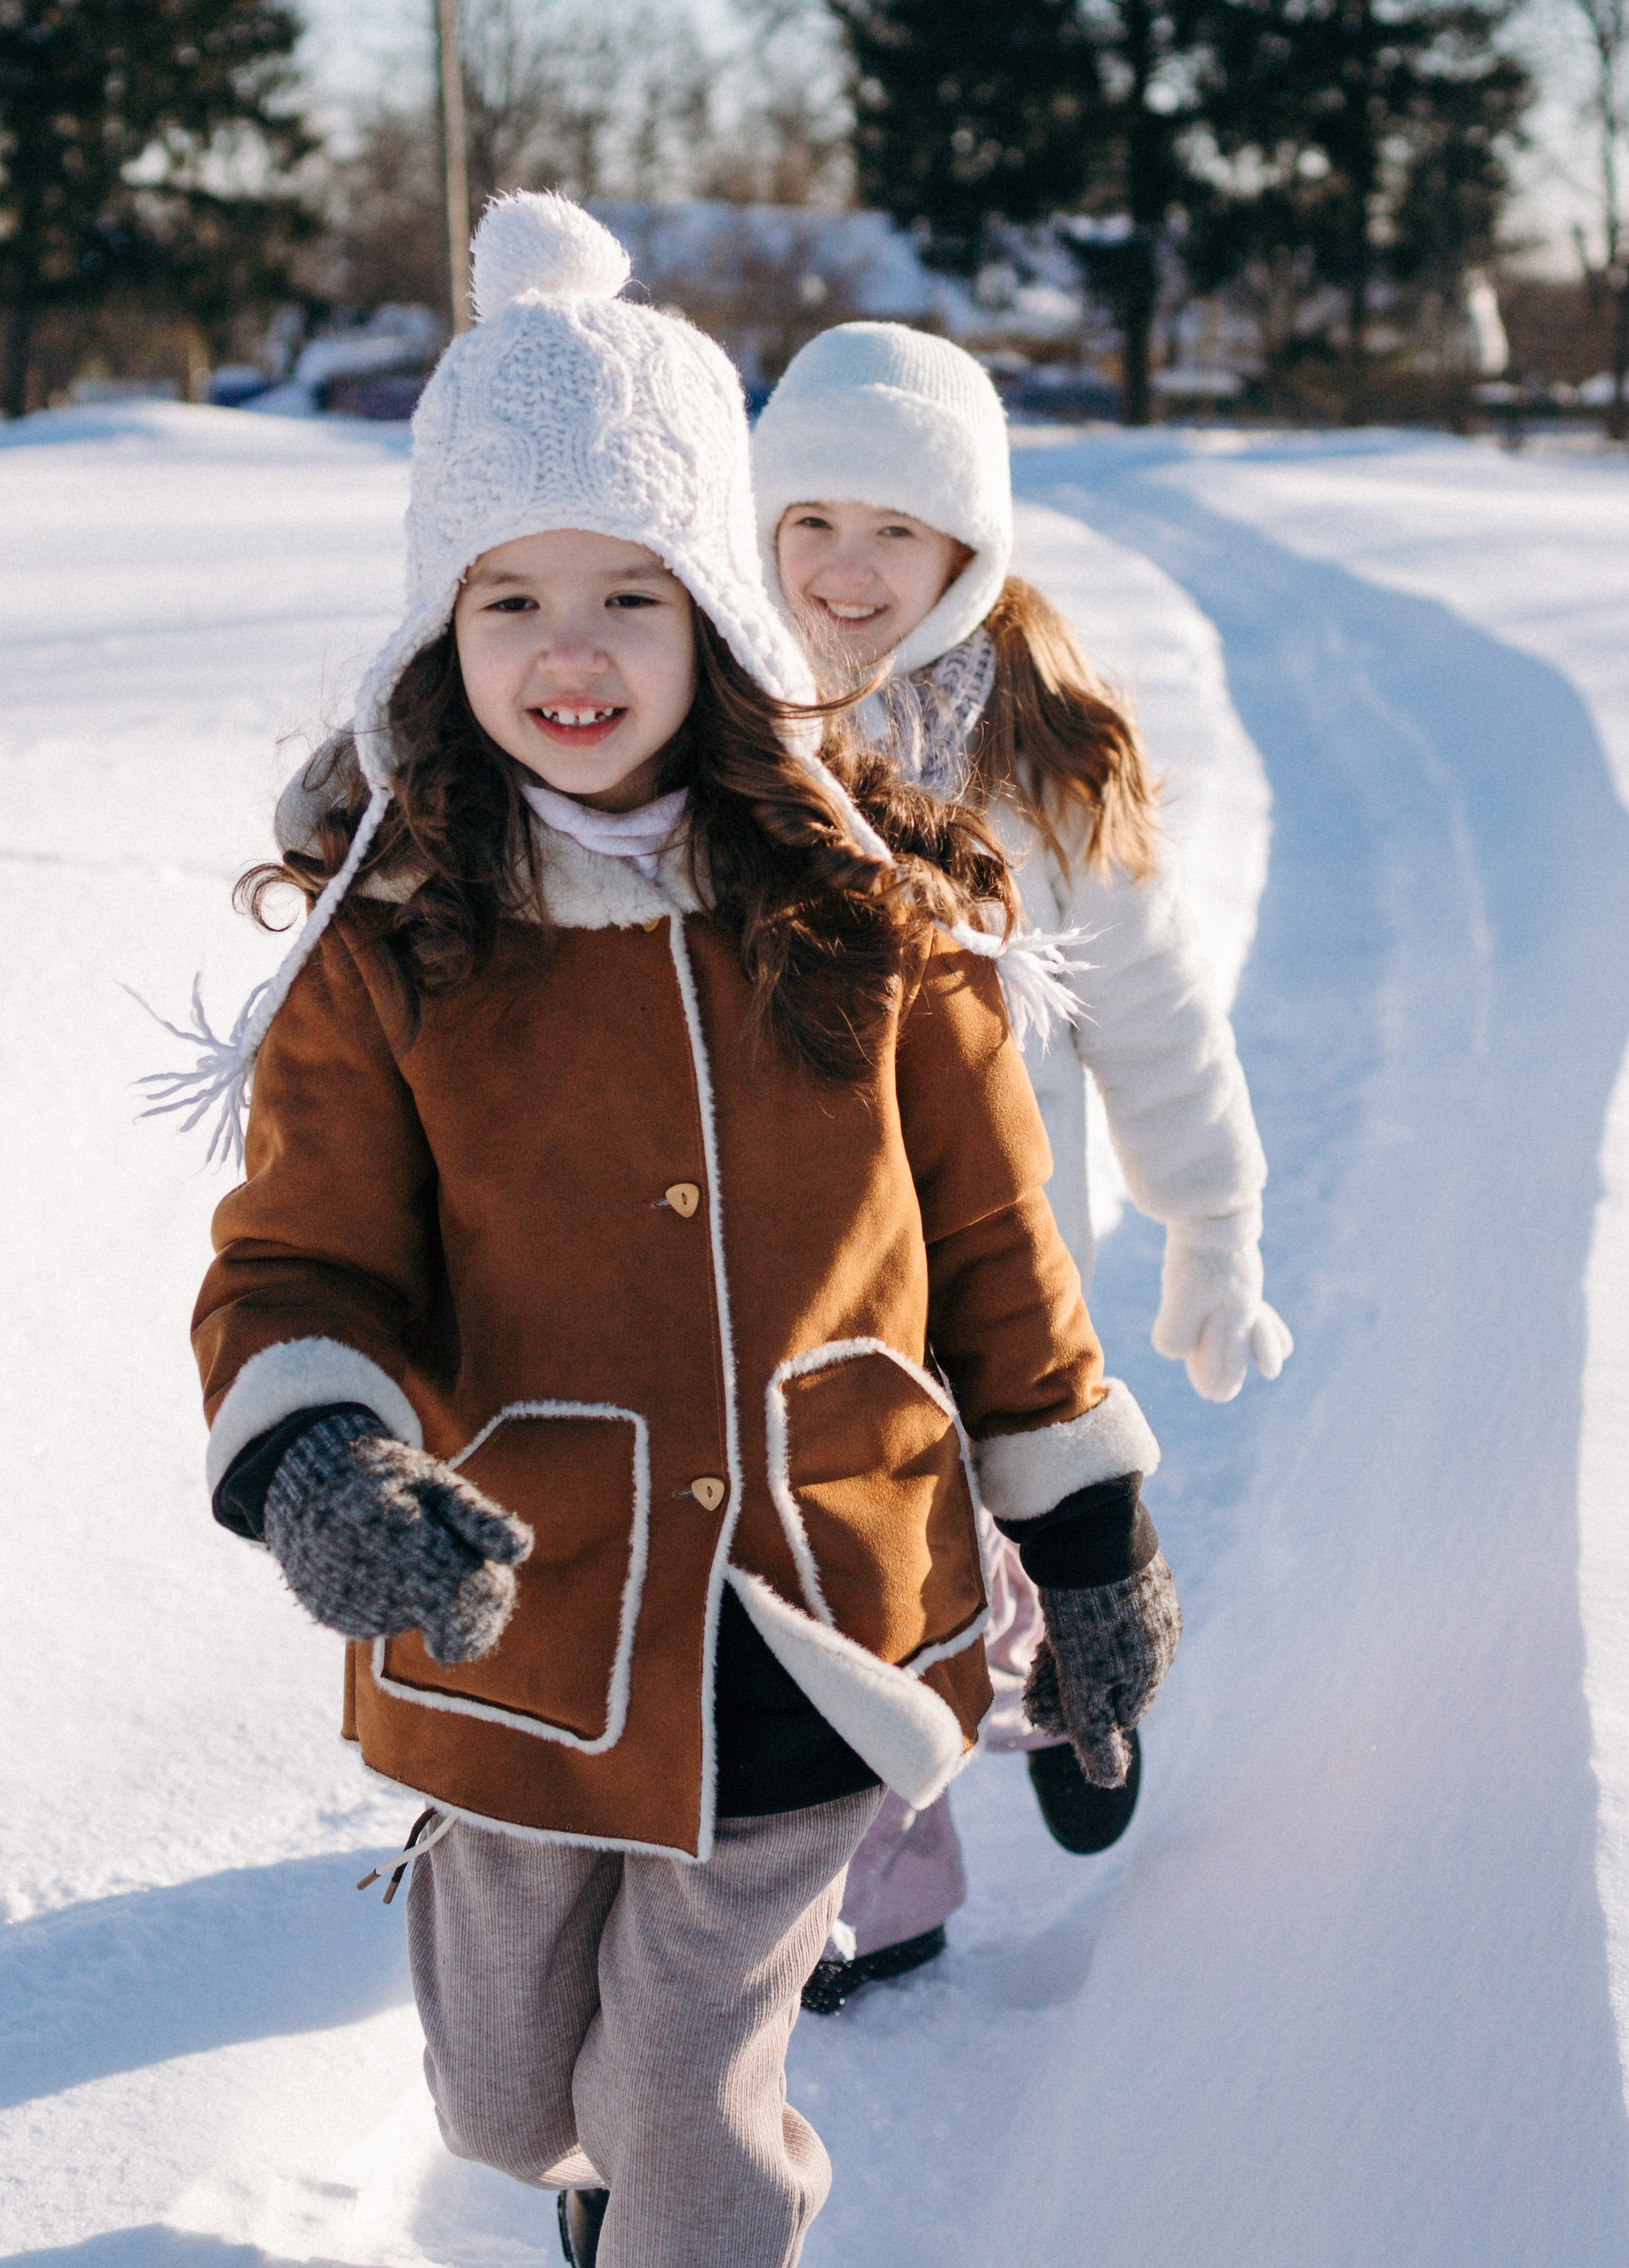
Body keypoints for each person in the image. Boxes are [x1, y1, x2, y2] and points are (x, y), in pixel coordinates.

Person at [157, 198, 1178, 2268]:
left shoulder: (879, 916)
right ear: (438, 629)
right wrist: (329, 1460)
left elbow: (998, 1260)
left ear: (719, 608)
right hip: (526, 1615)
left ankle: (691, 2209)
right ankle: (590, 2148)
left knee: (676, 2094)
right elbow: (298, 1265)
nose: (571, 651)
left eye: (631, 593)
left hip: (820, 1596)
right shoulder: (398, 942)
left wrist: (1086, 1544)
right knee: (512, 2098)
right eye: (511, 594)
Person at [751, 319, 1287, 2010]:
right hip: (798, 1258)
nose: (844, 569)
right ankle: (880, 1882)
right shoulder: (721, 726)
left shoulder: (1036, 762)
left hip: (991, 1245)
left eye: (893, 531)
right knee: (856, 1567)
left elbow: (1150, 1008)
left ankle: (1078, 1680)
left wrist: (1210, 1216)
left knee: (1019, 1524)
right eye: (811, 519)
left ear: (966, 549)